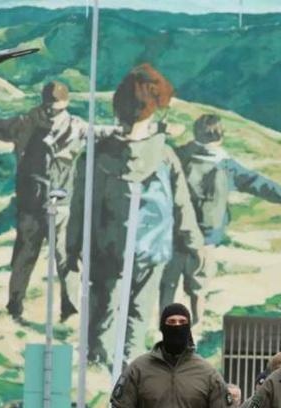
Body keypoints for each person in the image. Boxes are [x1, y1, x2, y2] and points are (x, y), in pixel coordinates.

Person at [67, 64, 202, 366]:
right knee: (139, 314)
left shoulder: (96, 155)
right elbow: (182, 208)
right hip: (152, 250)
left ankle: (99, 364)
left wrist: (72, 250)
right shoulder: (165, 155)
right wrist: (195, 249)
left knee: (104, 309)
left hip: (106, 246)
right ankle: (130, 365)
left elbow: (79, 208)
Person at [160, 113, 281, 317]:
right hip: (207, 238)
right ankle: (195, 326)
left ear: (195, 133)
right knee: (198, 290)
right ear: (221, 137)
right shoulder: (227, 166)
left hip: (175, 233)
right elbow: (258, 183)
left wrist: (162, 132)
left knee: (169, 285)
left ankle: (165, 327)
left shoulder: (178, 156)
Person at [0, 81, 88, 322]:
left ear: (65, 105)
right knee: (24, 257)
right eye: (48, 108)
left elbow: (105, 135)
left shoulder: (77, 127)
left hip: (60, 204)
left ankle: (70, 308)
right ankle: (15, 306)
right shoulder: (25, 123)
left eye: (56, 108)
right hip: (31, 205)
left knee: (65, 259)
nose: (51, 113)